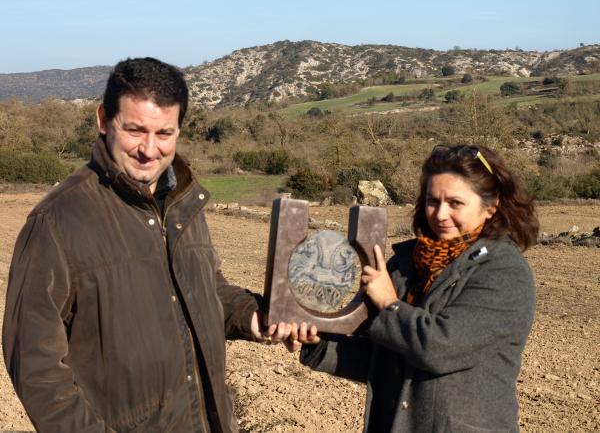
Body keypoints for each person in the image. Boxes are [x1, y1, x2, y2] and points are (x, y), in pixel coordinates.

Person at [2, 57, 293, 433]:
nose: (149, 149)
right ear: (104, 120)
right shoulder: (57, 222)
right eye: (135, 130)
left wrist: (250, 315)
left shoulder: (184, 202)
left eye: (164, 134)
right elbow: (34, 364)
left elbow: (205, 288)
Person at [293, 144, 539, 432]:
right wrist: (318, 344)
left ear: (491, 207)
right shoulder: (406, 264)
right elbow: (384, 360)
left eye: (455, 203)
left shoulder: (503, 272)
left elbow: (438, 346)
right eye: (432, 201)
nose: (440, 214)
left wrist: (389, 303)